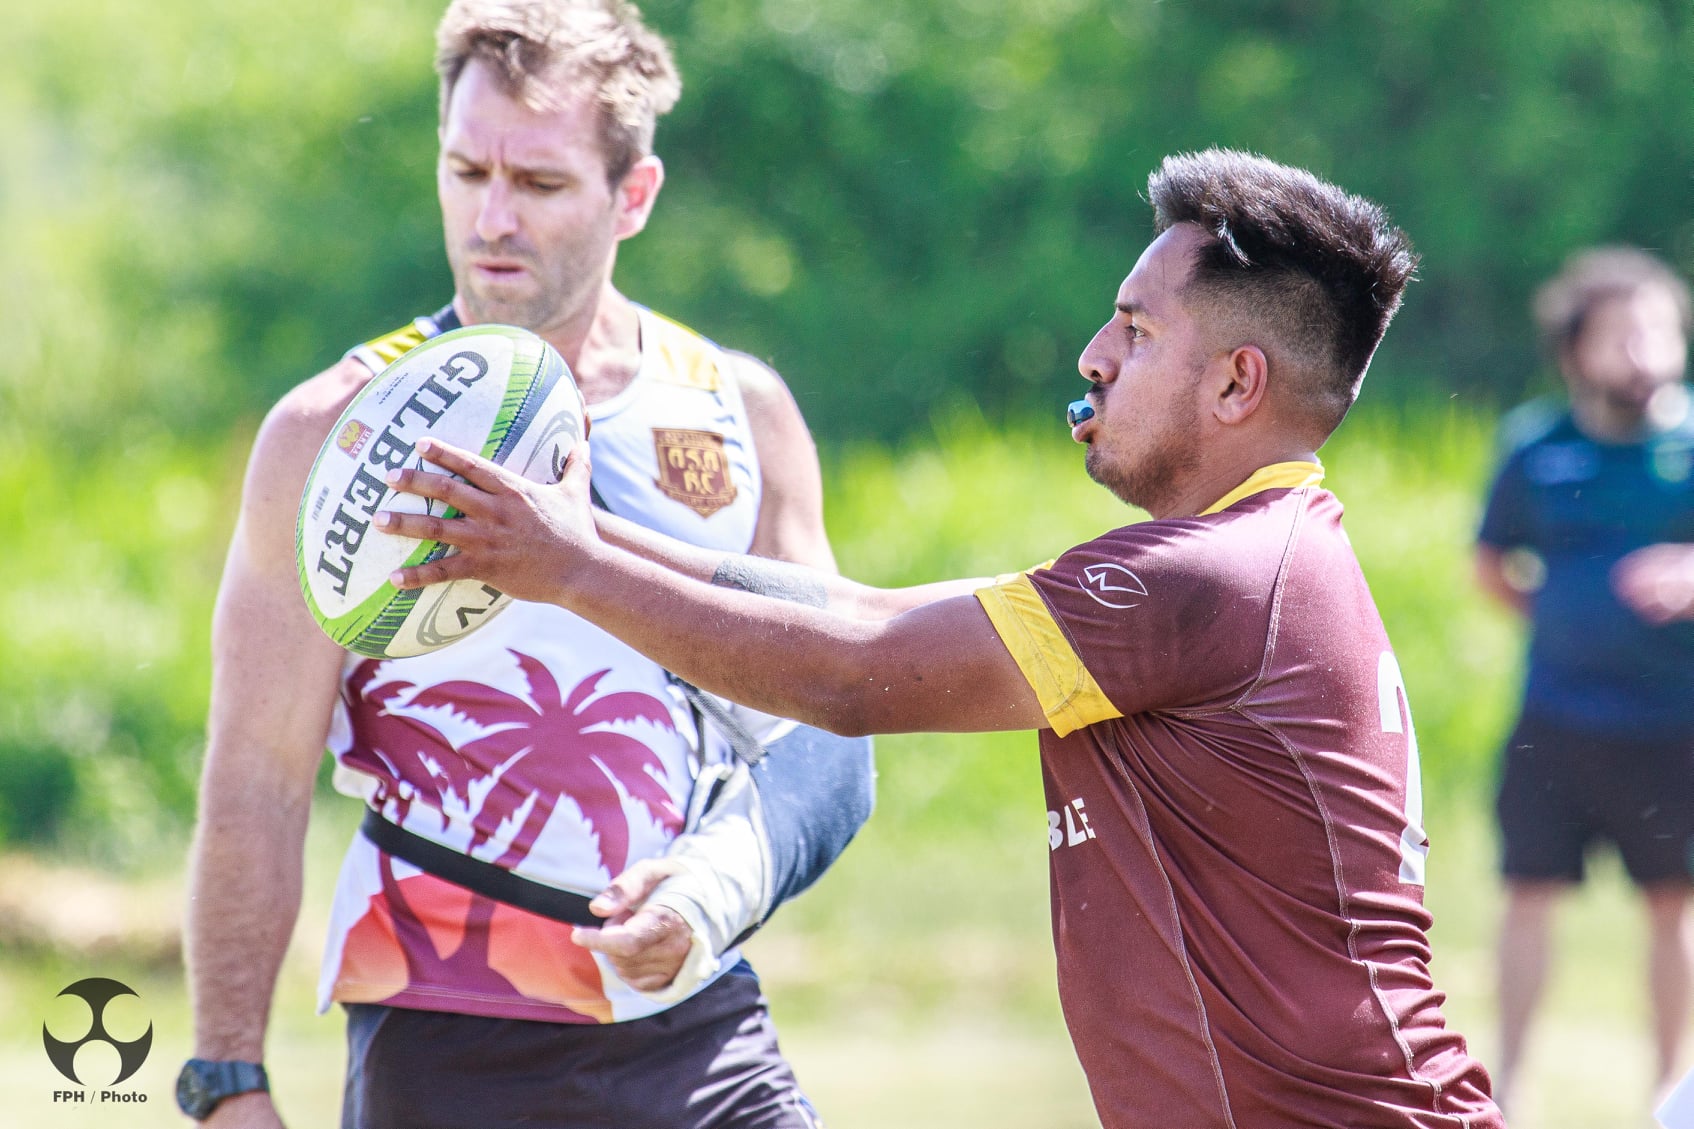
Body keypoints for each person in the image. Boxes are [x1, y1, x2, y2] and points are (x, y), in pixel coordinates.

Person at [380, 148, 1507, 1128]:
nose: (1091, 356)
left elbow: (852, 674)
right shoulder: (1244, 560)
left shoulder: (1205, 581)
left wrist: (567, 565)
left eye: (1134, 328)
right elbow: (861, 614)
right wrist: (582, 534)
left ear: (1233, 382)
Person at [181, 1, 874, 1126]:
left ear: (631, 196)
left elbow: (832, 726)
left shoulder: (737, 411)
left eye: (541, 185)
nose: (491, 217)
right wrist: (226, 1080)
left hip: (697, 1022)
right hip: (442, 1035)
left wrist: (708, 891)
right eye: (467, 171)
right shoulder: (334, 434)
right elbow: (255, 776)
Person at [1474, 247, 1694, 1112]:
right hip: (1556, 715)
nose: (1644, 351)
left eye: (1660, 331)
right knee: (1527, 891)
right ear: (1575, 351)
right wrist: (1569, 617)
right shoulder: (1535, 448)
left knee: (1673, 905)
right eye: (1623, 333)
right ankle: (1510, 1088)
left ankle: (1671, 1094)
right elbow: (1491, 564)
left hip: (1673, 722)